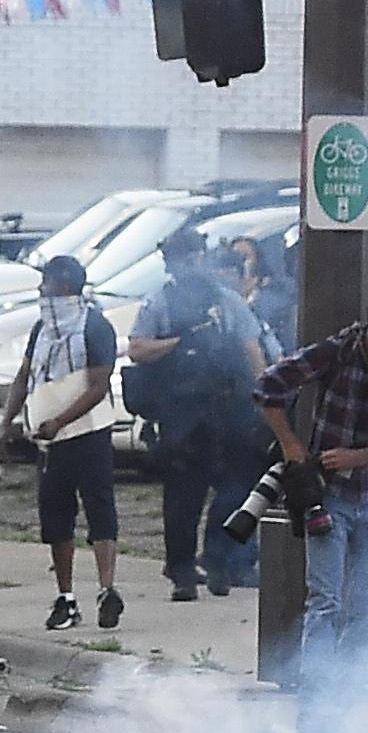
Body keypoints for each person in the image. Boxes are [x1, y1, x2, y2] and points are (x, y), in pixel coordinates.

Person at [257, 293, 368, 733]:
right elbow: (269, 386)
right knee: (326, 601)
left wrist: (359, 457)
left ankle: (340, 701)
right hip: (328, 497)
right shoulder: (337, 351)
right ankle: (314, 702)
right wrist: (292, 446)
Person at [129, 229, 271, 608]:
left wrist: (265, 401)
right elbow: (138, 348)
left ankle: (218, 560)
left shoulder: (226, 301)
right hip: (182, 414)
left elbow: (251, 348)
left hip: (228, 410)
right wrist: (180, 342)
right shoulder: (160, 301)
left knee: (235, 491)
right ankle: (181, 571)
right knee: (182, 498)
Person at [4, 254, 122, 631]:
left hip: (88, 433)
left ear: (66, 285)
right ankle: (66, 596)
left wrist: (61, 420)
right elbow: (26, 374)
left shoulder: (95, 327)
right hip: (50, 442)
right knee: (56, 516)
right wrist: (6, 421)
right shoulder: (42, 329)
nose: (42, 290)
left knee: (99, 507)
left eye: (48, 282)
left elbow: (99, 385)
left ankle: (107, 588)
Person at [228, 237, 297, 353]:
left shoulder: (278, 291)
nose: (239, 264)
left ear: (257, 259)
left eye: (245, 257)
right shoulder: (227, 296)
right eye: (235, 258)